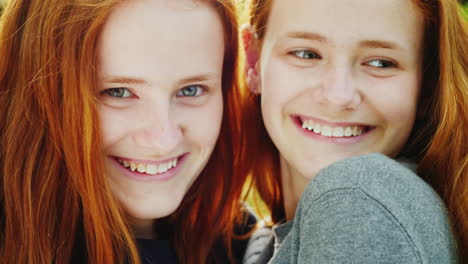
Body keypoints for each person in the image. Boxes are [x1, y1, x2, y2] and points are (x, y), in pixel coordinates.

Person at [0, 0, 252, 263]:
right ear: (37, 95)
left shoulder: (245, 244)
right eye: (117, 92)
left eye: (191, 90)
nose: (163, 141)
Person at [238, 0, 467, 263]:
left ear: (426, 86)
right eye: (306, 54)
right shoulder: (262, 242)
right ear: (253, 60)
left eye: (381, 63)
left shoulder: (357, 198)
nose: (338, 96)